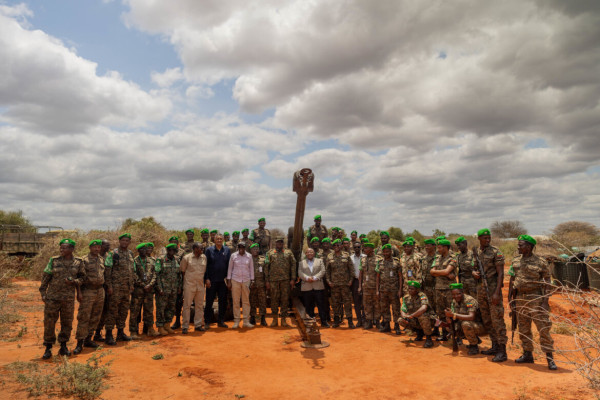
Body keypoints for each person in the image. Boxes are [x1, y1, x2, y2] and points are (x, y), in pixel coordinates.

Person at [508, 235, 557, 370]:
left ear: (529, 247)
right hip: (520, 298)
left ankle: (550, 358)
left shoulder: (540, 262)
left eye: (521, 245)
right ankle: (528, 354)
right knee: (524, 329)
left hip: (536, 298)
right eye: (518, 245)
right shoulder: (516, 261)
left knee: (543, 328)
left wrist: (545, 301)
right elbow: (512, 280)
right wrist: (511, 299)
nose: (518, 247)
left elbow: (548, 281)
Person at [39, 238, 85, 359]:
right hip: (52, 298)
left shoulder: (79, 262)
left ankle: (63, 346)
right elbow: (46, 277)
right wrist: (43, 293)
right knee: (49, 323)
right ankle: (48, 347)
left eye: (64, 248)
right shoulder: (53, 261)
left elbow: (82, 279)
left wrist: (74, 282)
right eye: (61, 247)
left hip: (68, 299)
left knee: (67, 323)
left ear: (71, 249)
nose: (61, 250)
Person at [473, 228, 508, 362]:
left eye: (489, 238)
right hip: (481, 290)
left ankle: (502, 351)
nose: (487, 240)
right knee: (487, 320)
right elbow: (474, 268)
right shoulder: (476, 252)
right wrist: (473, 273)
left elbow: (500, 274)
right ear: (479, 239)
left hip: (493, 290)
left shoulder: (495, 252)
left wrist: (497, 293)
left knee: (497, 320)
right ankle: (494, 346)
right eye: (485, 238)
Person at [73, 239, 106, 354]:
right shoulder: (84, 260)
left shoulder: (101, 259)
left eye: (98, 247)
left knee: (95, 316)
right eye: (94, 247)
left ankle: (88, 339)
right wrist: (79, 292)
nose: (97, 249)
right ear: (90, 248)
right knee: (84, 317)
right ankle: (79, 343)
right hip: (88, 291)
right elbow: (79, 277)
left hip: (100, 291)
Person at [104, 233, 135, 345]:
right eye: (123, 240)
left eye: (127, 241)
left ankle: (120, 333)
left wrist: (131, 285)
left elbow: (132, 270)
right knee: (112, 311)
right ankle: (108, 335)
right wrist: (109, 286)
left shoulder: (130, 254)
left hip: (126, 288)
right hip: (115, 288)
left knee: (123, 310)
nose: (125, 242)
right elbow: (107, 271)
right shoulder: (113, 254)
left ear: (129, 242)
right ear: (119, 241)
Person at [444, 283, 486, 355]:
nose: (456, 296)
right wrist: (449, 318)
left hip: (481, 326)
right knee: (450, 327)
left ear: (462, 292)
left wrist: (453, 315)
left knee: (465, 324)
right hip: (470, 325)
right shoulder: (454, 301)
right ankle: (475, 339)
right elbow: (456, 317)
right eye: (453, 294)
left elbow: (471, 317)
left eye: (458, 294)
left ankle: (474, 346)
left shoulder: (469, 300)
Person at [430, 239, 457, 341]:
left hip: (449, 290)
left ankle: (455, 335)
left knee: (451, 312)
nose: (438, 249)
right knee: (441, 313)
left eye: (440, 247)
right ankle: (444, 334)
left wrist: (438, 272)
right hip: (439, 288)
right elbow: (431, 272)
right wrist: (443, 273)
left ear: (445, 248)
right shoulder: (437, 257)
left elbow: (446, 271)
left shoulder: (452, 258)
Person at [265, 236, 296, 327]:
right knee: (274, 300)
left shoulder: (288, 252)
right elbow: (266, 267)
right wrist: (267, 280)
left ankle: (283, 320)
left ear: (283, 243)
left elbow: (293, 265)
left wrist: (293, 279)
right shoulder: (270, 253)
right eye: (278, 242)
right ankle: (275, 319)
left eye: (281, 242)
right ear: (275, 243)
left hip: (285, 280)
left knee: (285, 300)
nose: (279, 244)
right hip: (273, 281)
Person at [129, 243, 157, 339]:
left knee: (149, 310)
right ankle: (133, 331)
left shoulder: (152, 260)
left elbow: (155, 273)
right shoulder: (135, 261)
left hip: (149, 290)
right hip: (138, 290)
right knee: (135, 311)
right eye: (142, 249)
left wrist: (150, 284)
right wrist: (143, 285)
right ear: (138, 251)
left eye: (145, 249)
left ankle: (150, 329)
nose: (144, 251)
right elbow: (133, 274)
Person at [326, 239, 355, 328]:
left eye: (338, 245)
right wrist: (329, 281)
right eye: (334, 246)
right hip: (334, 285)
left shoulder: (346, 256)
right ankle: (336, 321)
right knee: (335, 303)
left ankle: (350, 321)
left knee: (347, 303)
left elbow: (351, 269)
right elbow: (327, 271)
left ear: (341, 246)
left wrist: (351, 280)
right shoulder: (330, 256)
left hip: (345, 284)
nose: (336, 247)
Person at [204, 234, 231, 328]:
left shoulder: (227, 250)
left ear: (223, 240)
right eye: (217, 239)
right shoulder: (209, 250)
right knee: (209, 301)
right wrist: (206, 278)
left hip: (222, 281)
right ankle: (207, 322)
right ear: (214, 240)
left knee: (223, 302)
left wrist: (228, 280)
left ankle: (221, 321)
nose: (219, 240)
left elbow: (229, 266)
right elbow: (205, 265)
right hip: (211, 281)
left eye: (221, 239)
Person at [180, 242, 207, 333]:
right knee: (187, 306)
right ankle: (185, 326)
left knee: (199, 306)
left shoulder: (204, 257)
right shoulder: (186, 258)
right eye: (201, 248)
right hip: (189, 285)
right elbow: (183, 271)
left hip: (200, 285)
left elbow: (204, 271)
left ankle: (198, 325)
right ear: (195, 249)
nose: (202, 250)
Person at [155, 243, 182, 335]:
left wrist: (179, 287)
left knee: (171, 308)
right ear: (167, 250)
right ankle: (160, 327)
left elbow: (179, 276)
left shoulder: (176, 260)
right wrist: (159, 288)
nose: (171, 252)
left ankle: (167, 325)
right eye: (170, 250)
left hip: (173, 289)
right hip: (163, 290)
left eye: (173, 250)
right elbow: (157, 275)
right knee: (161, 308)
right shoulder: (161, 260)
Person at [298, 248, 329, 327]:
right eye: (308, 252)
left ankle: (324, 321)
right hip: (307, 286)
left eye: (311, 252)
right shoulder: (301, 263)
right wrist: (307, 278)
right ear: (306, 254)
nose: (310, 253)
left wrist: (315, 278)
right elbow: (300, 273)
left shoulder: (319, 261)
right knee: (308, 305)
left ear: (314, 253)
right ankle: (310, 323)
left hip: (318, 286)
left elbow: (322, 271)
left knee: (321, 305)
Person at [399, 281, 435, 348]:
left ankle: (429, 339)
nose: (410, 290)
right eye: (409, 288)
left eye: (412, 289)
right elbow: (403, 309)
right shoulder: (406, 297)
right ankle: (419, 333)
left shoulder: (422, 296)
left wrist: (412, 315)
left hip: (429, 320)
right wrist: (404, 316)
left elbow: (424, 308)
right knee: (400, 320)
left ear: (417, 290)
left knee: (422, 316)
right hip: (415, 319)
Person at [227, 242, 255, 328]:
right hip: (235, 280)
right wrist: (229, 280)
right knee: (236, 301)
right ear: (238, 247)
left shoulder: (249, 256)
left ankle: (246, 321)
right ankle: (236, 321)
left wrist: (252, 280)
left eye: (243, 247)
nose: (241, 249)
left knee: (246, 301)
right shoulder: (233, 256)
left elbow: (251, 268)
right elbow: (230, 268)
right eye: (240, 247)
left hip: (246, 280)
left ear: (245, 248)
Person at [376, 244, 402, 334]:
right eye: (385, 252)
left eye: (388, 251)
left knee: (396, 308)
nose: (386, 253)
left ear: (391, 252)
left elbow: (400, 277)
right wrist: (377, 290)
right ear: (383, 252)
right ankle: (387, 325)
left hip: (394, 290)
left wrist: (400, 290)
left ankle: (396, 326)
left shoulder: (396, 262)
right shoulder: (380, 262)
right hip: (383, 290)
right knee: (384, 308)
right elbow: (378, 277)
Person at [358, 243, 380, 329]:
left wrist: (378, 288)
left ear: (371, 249)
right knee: (367, 305)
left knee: (377, 304)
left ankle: (377, 321)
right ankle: (369, 322)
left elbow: (379, 275)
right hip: (366, 286)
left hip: (375, 286)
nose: (364, 250)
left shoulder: (378, 259)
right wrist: (360, 286)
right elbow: (360, 273)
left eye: (366, 248)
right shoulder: (363, 259)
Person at [249, 243, 268, 326]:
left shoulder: (263, 259)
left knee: (262, 301)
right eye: (254, 249)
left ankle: (262, 318)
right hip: (251, 284)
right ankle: (252, 318)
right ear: (251, 251)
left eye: (257, 249)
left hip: (261, 283)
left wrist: (267, 282)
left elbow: (266, 272)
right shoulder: (248, 259)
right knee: (252, 301)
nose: (255, 250)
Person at [350, 241, 364, 326]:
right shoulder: (351, 258)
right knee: (356, 302)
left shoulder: (365, 257)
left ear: (361, 247)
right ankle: (359, 320)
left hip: (365, 281)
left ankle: (365, 319)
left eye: (358, 247)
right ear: (353, 248)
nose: (357, 249)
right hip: (355, 281)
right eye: (355, 247)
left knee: (365, 301)